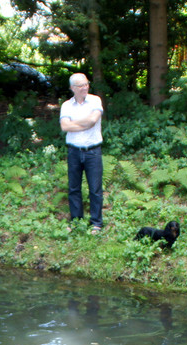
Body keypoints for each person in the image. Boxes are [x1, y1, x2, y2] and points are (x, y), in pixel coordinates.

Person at [60, 73, 104, 234]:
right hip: (74, 152)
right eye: (80, 85)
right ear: (72, 88)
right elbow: (65, 126)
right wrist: (83, 123)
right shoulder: (66, 105)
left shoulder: (95, 100)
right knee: (74, 188)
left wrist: (74, 123)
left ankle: (96, 223)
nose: (85, 87)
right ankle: (76, 221)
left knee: (95, 189)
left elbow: (92, 121)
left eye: (86, 84)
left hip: (93, 151)